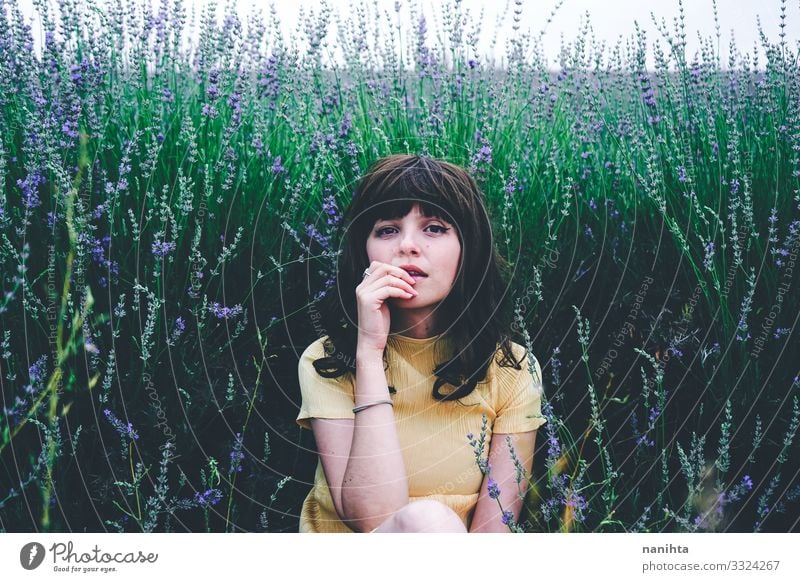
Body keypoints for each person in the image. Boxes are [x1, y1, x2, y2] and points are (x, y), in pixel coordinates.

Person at [296, 154, 547, 533]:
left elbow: (495, 537)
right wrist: (368, 352)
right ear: (363, 251)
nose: (408, 246)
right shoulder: (327, 362)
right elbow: (372, 518)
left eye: (433, 228)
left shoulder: (511, 369)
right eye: (386, 230)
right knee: (424, 522)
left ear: (468, 249)